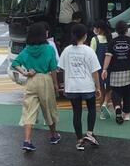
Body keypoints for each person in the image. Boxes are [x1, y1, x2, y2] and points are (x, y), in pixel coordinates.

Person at [10, 22, 61, 152]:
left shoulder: (27, 49)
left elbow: (15, 63)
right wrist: (55, 84)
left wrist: (25, 73)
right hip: (45, 79)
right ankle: (53, 135)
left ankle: (27, 140)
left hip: (31, 80)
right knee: (49, 108)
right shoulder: (49, 48)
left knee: (29, 110)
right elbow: (53, 68)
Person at [58, 23, 102, 151]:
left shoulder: (67, 50)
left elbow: (63, 69)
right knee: (91, 109)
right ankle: (89, 133)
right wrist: (98, 87)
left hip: (72, 87)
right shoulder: (89, 51)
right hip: (87, 86)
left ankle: (79, 140)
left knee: (76, 112)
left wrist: (65, 86)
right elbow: (95, 71)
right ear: (85, 36)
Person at [102, 20, 130, 124]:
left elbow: (108, 56)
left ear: (116, 30)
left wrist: (104, 69)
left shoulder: (112, 42)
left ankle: (117, 107)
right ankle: (126, 115)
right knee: (128, 92)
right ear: (127, 30)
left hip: (115, 70)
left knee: (116, 91)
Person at [90, 19, 113, 119]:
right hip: (109, 66)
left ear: (99, 29)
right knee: (110, 87)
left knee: (100, 88)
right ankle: (105, 104)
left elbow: (91, 54)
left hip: (98, 67)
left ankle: (102, 111)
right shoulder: (110, 38)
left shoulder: (95, 39)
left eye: (95, 28)